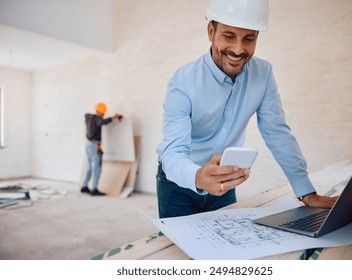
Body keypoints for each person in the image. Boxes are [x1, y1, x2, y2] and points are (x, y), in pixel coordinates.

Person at [155, 0, 337, 218]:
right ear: (211, 31)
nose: (238, 49)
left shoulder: (263, 75)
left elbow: (278, 133)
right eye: (229, 36)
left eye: (249, 38)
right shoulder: (183, 82)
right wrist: (199, 176)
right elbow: (173, 152)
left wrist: (306, 191)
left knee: (224, 247)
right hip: (178, 182)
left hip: (225, 181)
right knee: (178, 250)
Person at [81, 102, 122, 196]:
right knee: (97, 168)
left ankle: (84, 186)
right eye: (103, 113)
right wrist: (113, 118)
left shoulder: (88, 117)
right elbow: (101, 121)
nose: (103, 115)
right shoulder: (97, 120)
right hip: (94, 145)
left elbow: (96, 119)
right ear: (99, 112)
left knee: (89, 166)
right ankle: (94, 189)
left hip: (88, 144)